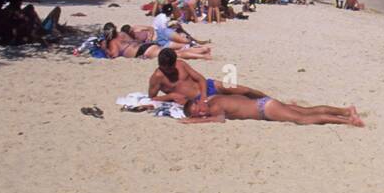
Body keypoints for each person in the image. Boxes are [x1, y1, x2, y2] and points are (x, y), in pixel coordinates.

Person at [148, 48, 267, 104]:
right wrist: (170, 96)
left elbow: (200, 79)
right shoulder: (157, 77)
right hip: (194, 100)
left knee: (244, 90)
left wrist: (204, 94)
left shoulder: (181, 64)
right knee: (238, 102)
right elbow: (151, 98)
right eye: (164, 68)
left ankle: (269, 99)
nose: (168, 71)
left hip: (207, 87)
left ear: (174, 63)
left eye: (170, 68)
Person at [182, 94, 365, 127]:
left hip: (265, 109)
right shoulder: (212, 99)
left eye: (198, 110)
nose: (202, 113)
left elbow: (219, 120)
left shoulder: (214, 106)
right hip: (264, 103)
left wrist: (192, 121)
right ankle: (346, 110)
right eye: (198, 113)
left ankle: (348, 120)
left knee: (303, 119)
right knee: (306, 111)